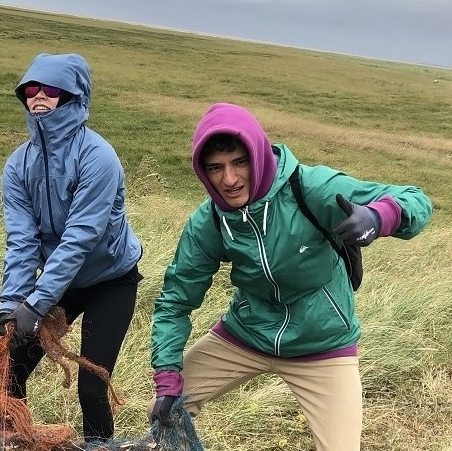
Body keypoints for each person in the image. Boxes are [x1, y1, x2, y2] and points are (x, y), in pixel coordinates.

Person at [148, 102, 432, 451]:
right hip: (246, 335)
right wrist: (166, 378)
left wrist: (379, 216)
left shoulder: (310, 187)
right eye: (215, 168)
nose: (230, 179)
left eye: (240, 162)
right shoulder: (210, 222)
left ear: (259, 154)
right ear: (203, 173)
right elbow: (175, 302)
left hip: (323, 345)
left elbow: (414, 198)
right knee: (166, 409)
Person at [0, 52, 143, 443]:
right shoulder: (17, 166)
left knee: (91, 386)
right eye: (30, 89)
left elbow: (80, 238)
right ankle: (19, 441)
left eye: (51, 89)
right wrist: (11, 304)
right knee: (11, 372)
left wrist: (36, 304)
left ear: (74, 96)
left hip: (110, 280)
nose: (39, 96)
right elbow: (22, 241)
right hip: (61, 283)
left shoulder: (99, 158)